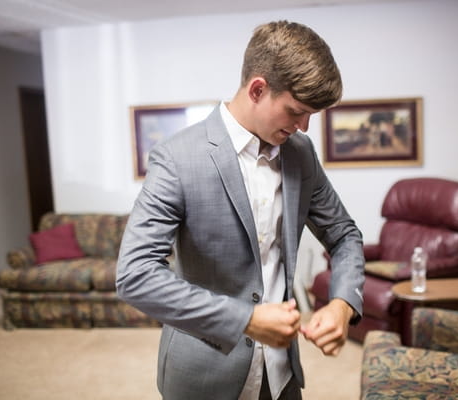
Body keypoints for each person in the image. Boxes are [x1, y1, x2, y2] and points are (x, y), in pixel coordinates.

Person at [116, 20, 365, 400]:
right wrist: (244, 319)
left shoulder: (301, 154)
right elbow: (135, 275)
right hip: (203, 376)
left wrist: (342, 302)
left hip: (282, 376)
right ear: (258, 89)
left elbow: (345, 234)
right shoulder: (177, 158)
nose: (304, 127)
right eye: (296, 111)